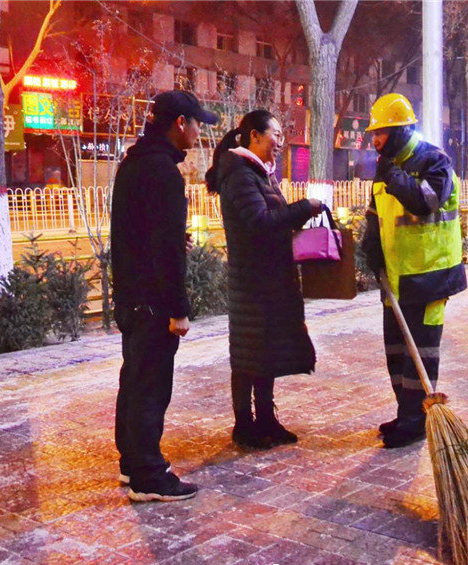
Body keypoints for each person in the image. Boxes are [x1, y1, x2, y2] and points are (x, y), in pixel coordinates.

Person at [111, 90, 218, 501]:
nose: (197, 133)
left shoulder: (134, 164)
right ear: (179, 123)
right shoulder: (164, 172)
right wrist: (179, 309)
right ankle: (148, 476)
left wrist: (174, 240)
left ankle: (132, 462)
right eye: (196, 124)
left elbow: (141, 233)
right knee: (151, 386)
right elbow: (166, 250)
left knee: (134, 380)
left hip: (131, 295)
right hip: (154, 300)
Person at [205, 110, 323, 449]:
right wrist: (304, 208)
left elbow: (272, 220)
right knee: (247, 353)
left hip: (269, 278)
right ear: (255, 136)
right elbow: (259, 221)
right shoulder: (240, 174)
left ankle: (266, 419)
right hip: (252, 280)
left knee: (265, 350)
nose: (280, 141)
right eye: (276, 133)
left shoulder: (259, 173)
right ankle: (244, 425)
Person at [361, 93, 467, 449]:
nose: (375, 141)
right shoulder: (385, 168)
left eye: (383, 133)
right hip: (396, 277)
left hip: (429, 275)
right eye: (373, 134)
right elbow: (376, 213)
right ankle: (405, 413)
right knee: (396, 353)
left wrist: (391, 174)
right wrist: (370, 243)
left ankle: (417, 420)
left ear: (404, 130)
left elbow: (425, 202)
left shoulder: (434, 161)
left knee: (420, 353)